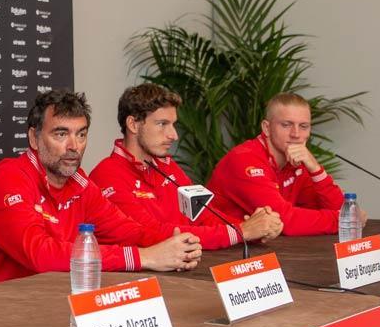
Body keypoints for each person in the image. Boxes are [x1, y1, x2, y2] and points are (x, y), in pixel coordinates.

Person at [0, 88, 203, 289]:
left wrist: (178, 243)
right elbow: (42, 256)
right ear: (34, 138)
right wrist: (146, 257)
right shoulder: (8, 177)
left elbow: (127, 230)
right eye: (61, 134)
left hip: (45, 302)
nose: (74, 146)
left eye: (81, 135)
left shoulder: (79, 183)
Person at [90, 84, 283, 248]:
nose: (173, 135)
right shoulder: (106, 175)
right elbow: (153, 234)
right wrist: (241, 232)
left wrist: (256, 226)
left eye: (173, 124)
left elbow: (204, 215)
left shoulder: (167, 166)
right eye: (162, 124)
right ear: (133, 124)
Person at [208, 92, 357, 236]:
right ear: (266, 128)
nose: (296, 134)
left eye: (304, 126)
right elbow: (285, 220)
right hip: (224, 254)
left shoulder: (296, 160)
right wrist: (344, 219)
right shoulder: (244, 159)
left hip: (263, 248)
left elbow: (338, 208)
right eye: (286, 125)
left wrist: (315, 169)